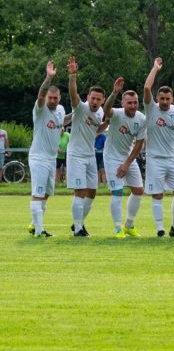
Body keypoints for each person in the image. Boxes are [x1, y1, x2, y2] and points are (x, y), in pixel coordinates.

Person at [143, 58, 174, 237]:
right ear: (157, 98)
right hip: (155, 158)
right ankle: (160, 229)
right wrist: (155, 68)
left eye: (167, 98)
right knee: (157, 194)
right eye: (161, 98)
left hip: (172, 157)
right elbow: (147, 88)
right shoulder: (151, 108)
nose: (164, 101)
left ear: (172, 99)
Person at [101, 77, 146, 238]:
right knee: (117, 192)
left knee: (139, 190)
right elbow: (106, 110)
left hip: (128, 157)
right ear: (122, 103)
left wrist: (127, 163)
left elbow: (139, 143)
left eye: (135, 102)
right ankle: (118, 228)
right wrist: (114, 92)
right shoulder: (117, 114)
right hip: (111, 157)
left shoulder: (141, 118)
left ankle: (129, 225)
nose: (133, 106)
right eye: (129, 103)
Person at [66, 57, 105, 237]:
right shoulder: (80, 108)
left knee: (92, 192)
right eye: (92, 98)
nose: (95, 101)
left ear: (102, 100)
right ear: (87, 97)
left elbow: (97, 129)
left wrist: (108, 123)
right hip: (76, 155)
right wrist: (73, 75)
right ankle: (79, 229)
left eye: (98, 99)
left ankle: (78, 223)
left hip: (90, 154)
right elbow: (73, 94)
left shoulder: (101, 112)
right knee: (80, 191)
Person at [28, 61, 65, 237]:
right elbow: (41, 93)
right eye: (50, 98)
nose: (52, 100)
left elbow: (61, 123)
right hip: (38, 157)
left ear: (59, 98)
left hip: (51, 158)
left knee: (47, 194)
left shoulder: (61, 110)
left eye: (55, 98)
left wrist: (81, 114)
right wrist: (49, 77)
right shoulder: (40, 109)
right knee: (38, 193)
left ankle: (35, 224)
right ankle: (39, 230)